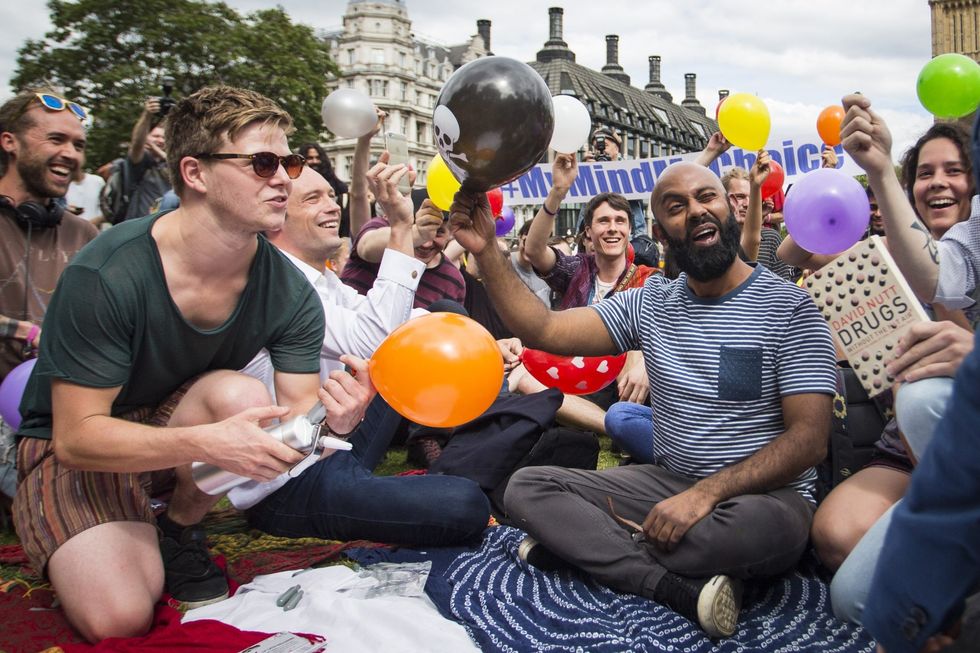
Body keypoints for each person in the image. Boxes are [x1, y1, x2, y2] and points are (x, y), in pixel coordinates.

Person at [10, 85, 373, 643]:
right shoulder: (109, 271)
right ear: (195, 174)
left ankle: (178, 526)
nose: (285, 177)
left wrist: (334, 422)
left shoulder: (289, 290)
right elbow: (76, 438)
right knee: (119, 617)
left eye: (290, 161)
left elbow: (294, 420)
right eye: (262, 162)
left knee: (244, 400)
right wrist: (209, 445)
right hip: (76, 446)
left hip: (181, 423)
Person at [447, 161, 838, 638]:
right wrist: (487, 251)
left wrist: (706, 495)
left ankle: (583, 547)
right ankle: (673, 586)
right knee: (527, 488)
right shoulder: (651, 302)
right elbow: (544, 328)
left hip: (760, 502)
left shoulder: (789, 308)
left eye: (707, 197)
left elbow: (810, 440)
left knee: (764, 532)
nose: (695, 211)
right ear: (659, 231)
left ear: (731, 212)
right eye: (677, 207)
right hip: (666, 484)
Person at [232, 160, 490, 544]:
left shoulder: (323, 279)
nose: (333, 207)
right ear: (276, 218)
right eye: (314, 199)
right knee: (465, 503)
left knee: (444, 317)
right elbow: (376, 340)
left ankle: (380, 480)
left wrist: (486, 341)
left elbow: (406, 326)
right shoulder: (275, 284)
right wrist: (401, 226)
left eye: (332, 197)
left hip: (338, 435)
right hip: (291, 479)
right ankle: (370, 488)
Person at [817, 95, 978, 627]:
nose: (938, 183)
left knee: (926, 399)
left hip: (957, 429)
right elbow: (792, 253)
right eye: (925, 173)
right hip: (910, 448)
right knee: (838, 542)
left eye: (953, 171)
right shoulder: (878, 263)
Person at [0, 88, 99, 500]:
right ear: (10, 141)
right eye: (56, 140)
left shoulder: (85, 234)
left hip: (70, 403)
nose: (70, 155)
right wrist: (22, 330)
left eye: (77, 145)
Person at [115, 97, 173, 222]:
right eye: (156, 136)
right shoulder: (141, 161)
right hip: (138, 225)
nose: (160, 140)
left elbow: (176, 163)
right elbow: (136, 143)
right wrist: (147, 115)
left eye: (164, 138)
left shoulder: (170, 163)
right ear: (146, 138)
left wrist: (152, 145)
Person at [511, 218, 553, 307]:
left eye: (539, 244)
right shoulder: (504, 263)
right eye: (527, 242)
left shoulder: (549, 273)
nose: (531, 249)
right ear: (519, 237)